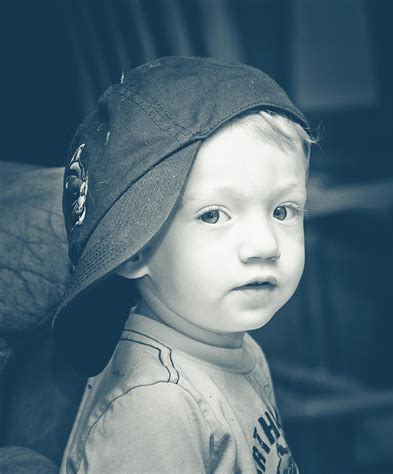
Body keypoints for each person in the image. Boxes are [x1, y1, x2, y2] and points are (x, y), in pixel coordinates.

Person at [53, 56, 314, 473]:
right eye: (212, 215)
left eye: (283, 211)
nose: (265, 245)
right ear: (133, 249)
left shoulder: (234, 345)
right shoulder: (154, 406)